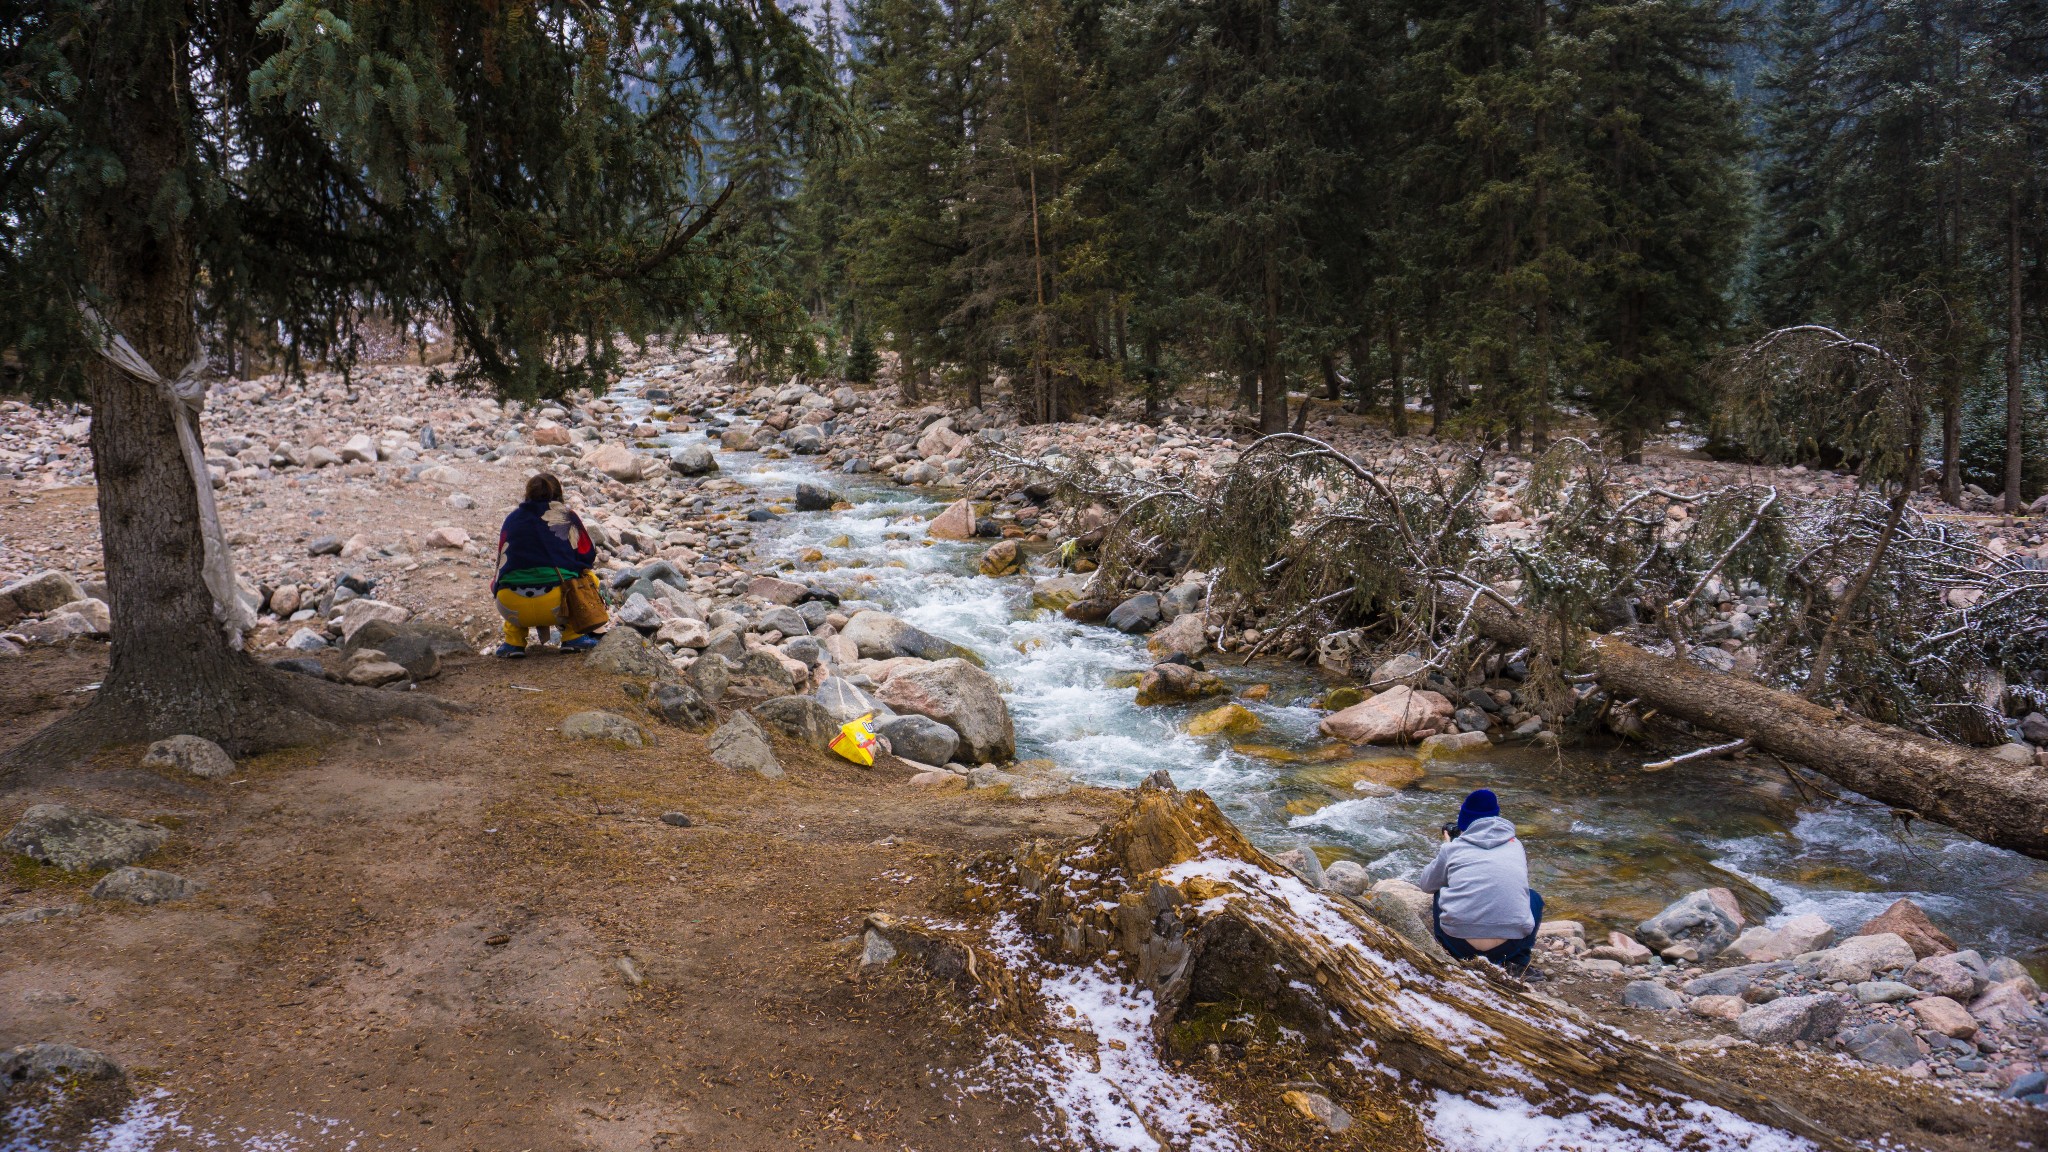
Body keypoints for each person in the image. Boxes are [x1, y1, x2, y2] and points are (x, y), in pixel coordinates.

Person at [1415, 789, 1545, 977]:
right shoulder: (1515, 845)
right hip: (1509, 946)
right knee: (1533, 897)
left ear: (1463, 822)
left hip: (1460, 946)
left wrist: (1447, 845)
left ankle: (1449, 954)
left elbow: (1426, 884)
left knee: (1441, 890)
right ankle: (1518, 962)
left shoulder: (1453, 848)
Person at [492, 472, 606, 657]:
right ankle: (573, 636)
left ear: (527, 494)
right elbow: (587, 556)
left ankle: (513, 642)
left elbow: (500, 565)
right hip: (555, 603)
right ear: (558, 494)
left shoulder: (511, 519)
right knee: (587, 577)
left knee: (512, 578)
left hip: (511, 606)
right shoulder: (567, 515)